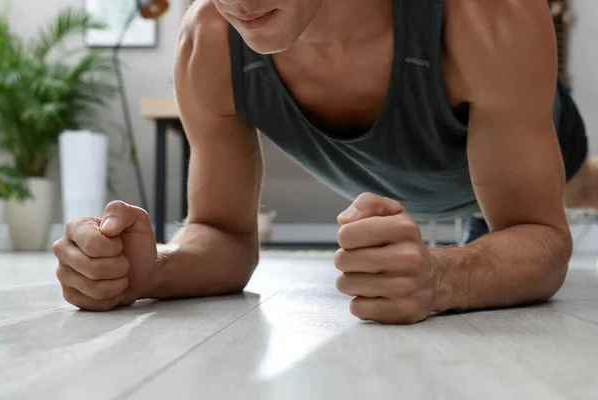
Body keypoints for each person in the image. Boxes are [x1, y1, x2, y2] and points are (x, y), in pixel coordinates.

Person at [52, 0, 598, 324]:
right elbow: (223, 234)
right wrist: (153, 271)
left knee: (579, 187)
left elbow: (539, 235)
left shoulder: (485, 14)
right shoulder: (208, 43)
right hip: (429, 178)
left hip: (538, 145)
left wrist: (443, 276)